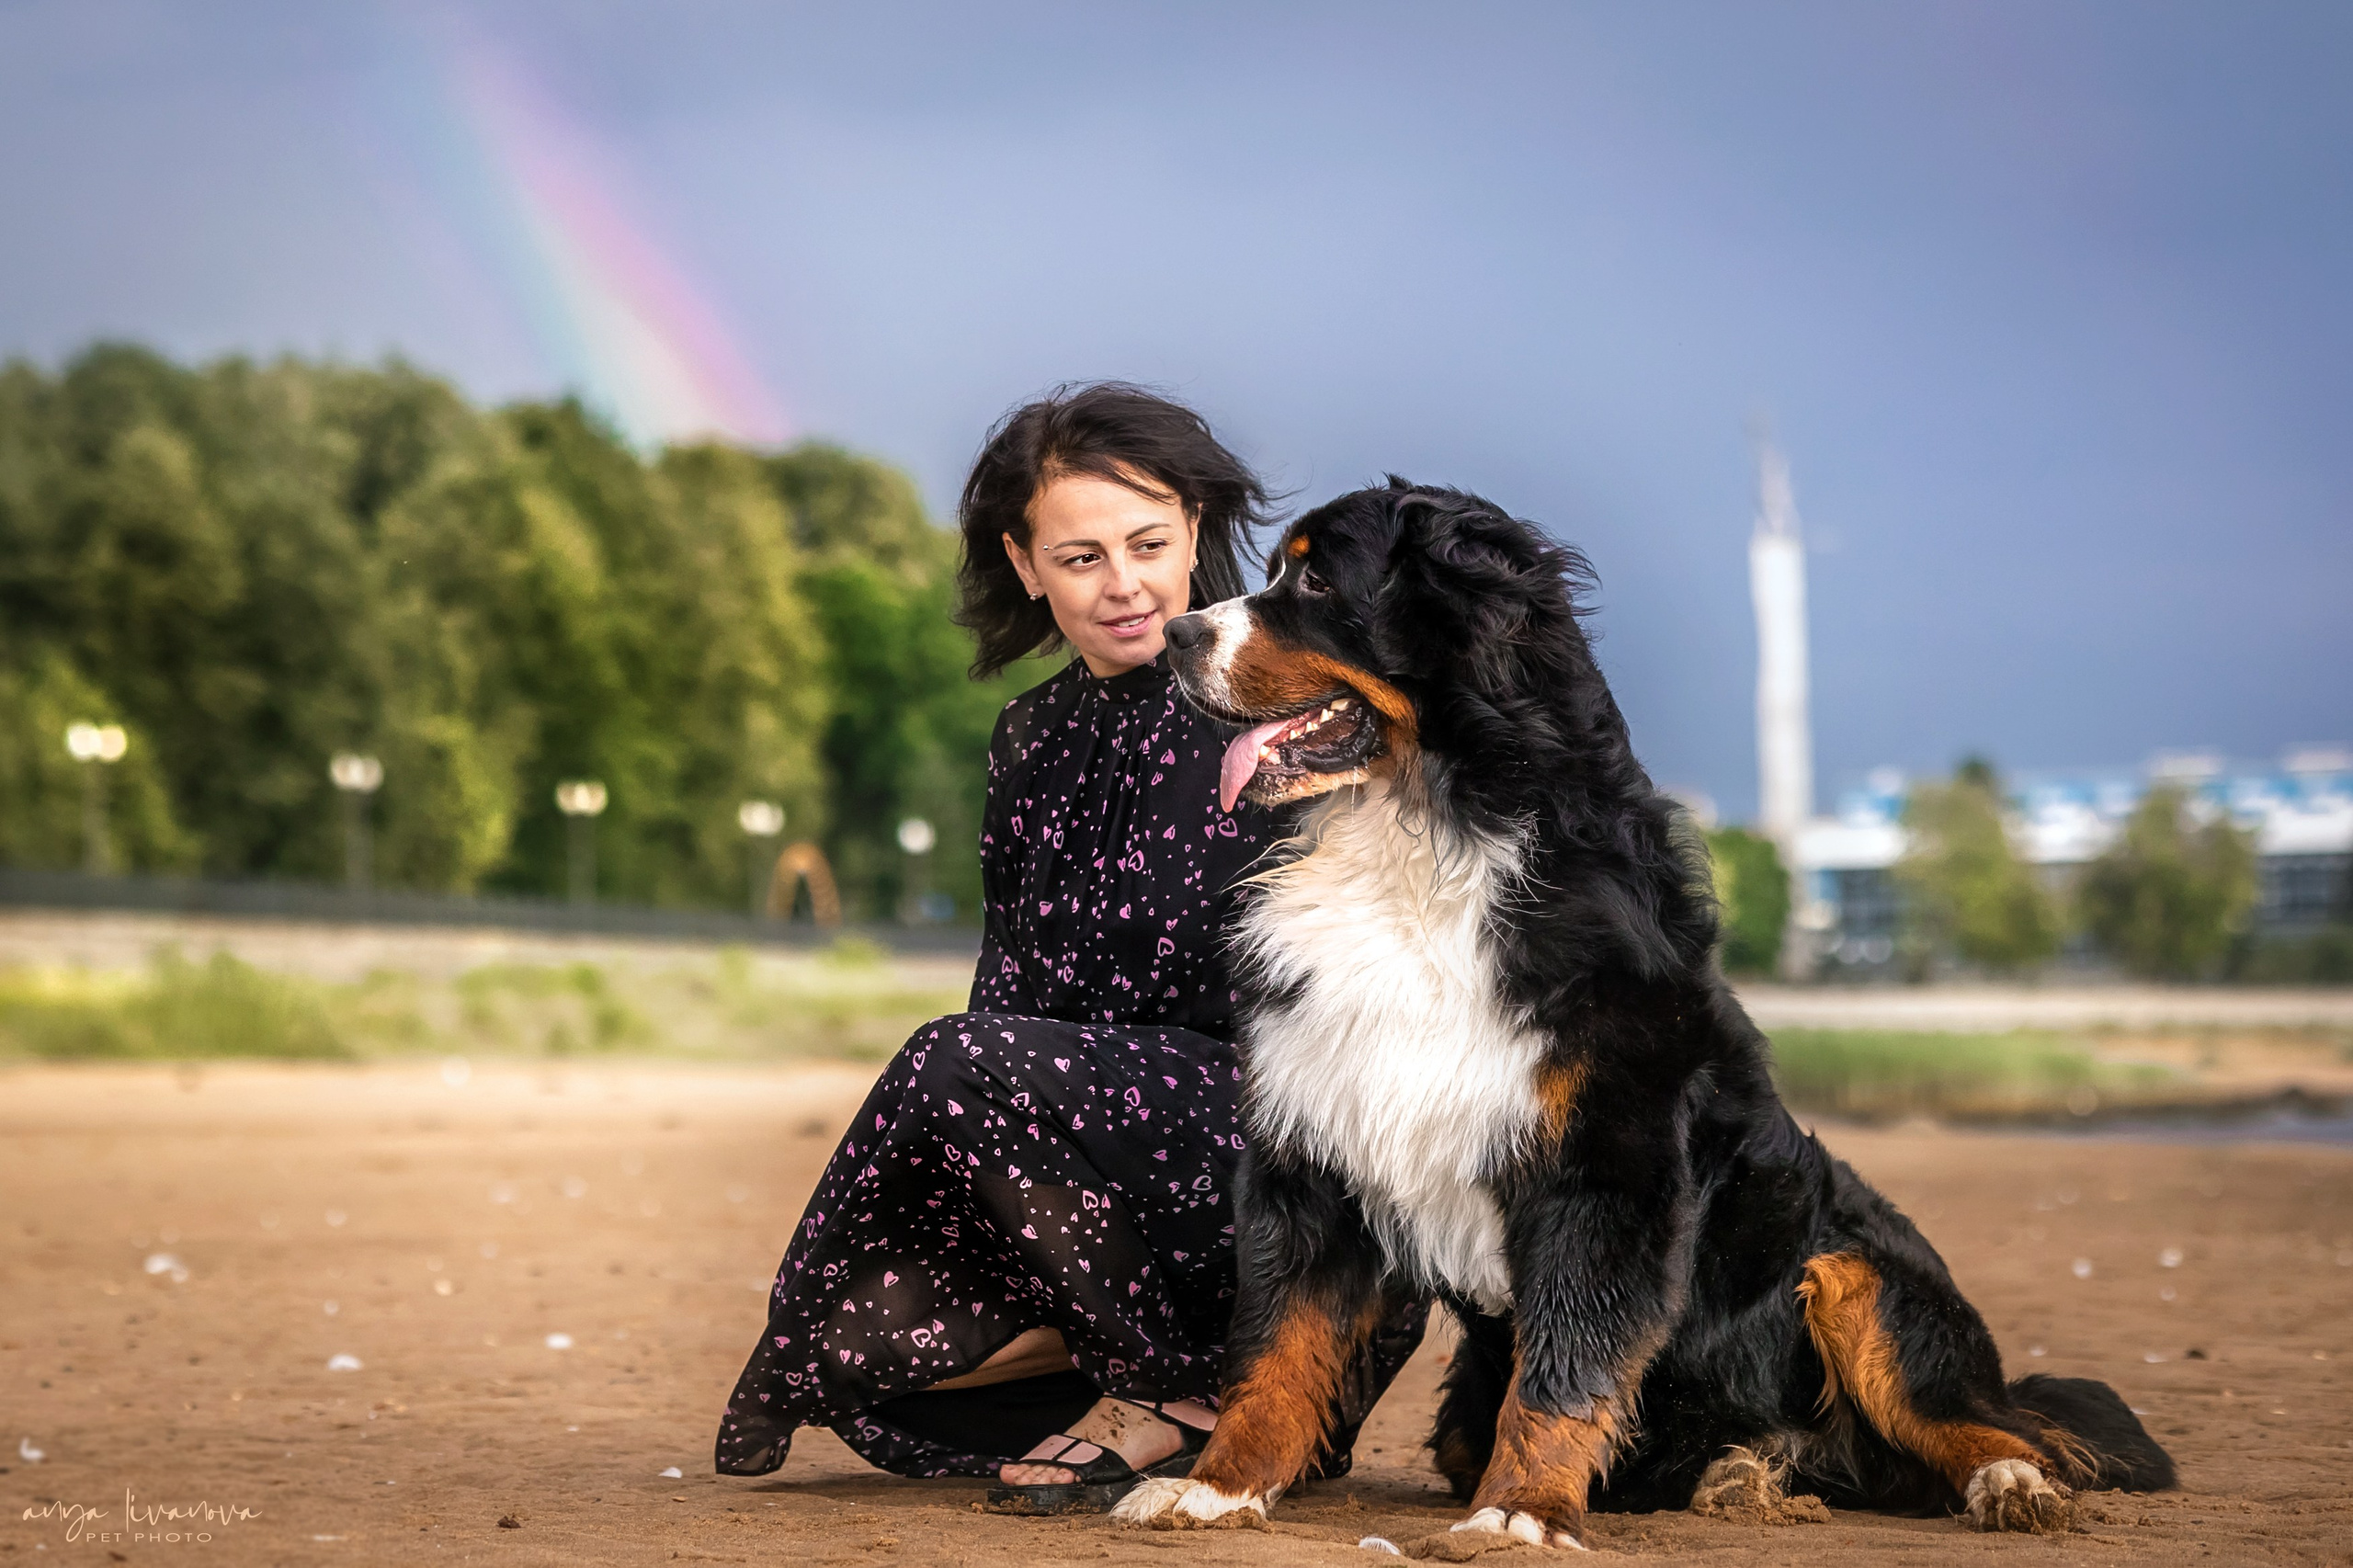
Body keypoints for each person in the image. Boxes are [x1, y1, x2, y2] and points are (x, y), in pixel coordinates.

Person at [713, 384, 1424, 1510]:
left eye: (1147, 544)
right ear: (1025, 563)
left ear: (1194, 526)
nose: (1123, 584)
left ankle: (1184, 1388)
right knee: (858, 1361)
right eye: (1081, 557)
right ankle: (1150, 1373)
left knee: (953, 1059)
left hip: (1280, 1168)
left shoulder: (1280, 704)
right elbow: (1010, 997)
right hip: (1095, 1184)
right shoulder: (1029, 738)